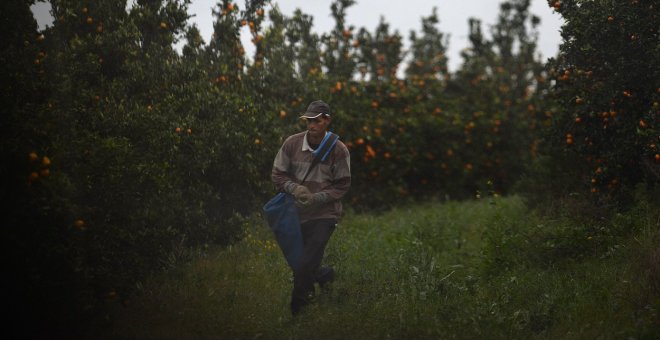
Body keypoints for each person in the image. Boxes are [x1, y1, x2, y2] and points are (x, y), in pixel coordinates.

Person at [271, 100, 351, 315]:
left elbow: (342, 185)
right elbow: (277, 174)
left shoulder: (339, 149)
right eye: (309, 120)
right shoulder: (292, 144)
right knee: (302, 263)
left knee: (305, 264)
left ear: (327, 120)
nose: (311, 125)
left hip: (325, 214)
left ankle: (298, 313)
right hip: (296, 213)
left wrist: (317, 198)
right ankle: (326, 276)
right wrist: (294, 189)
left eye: (316, 121)